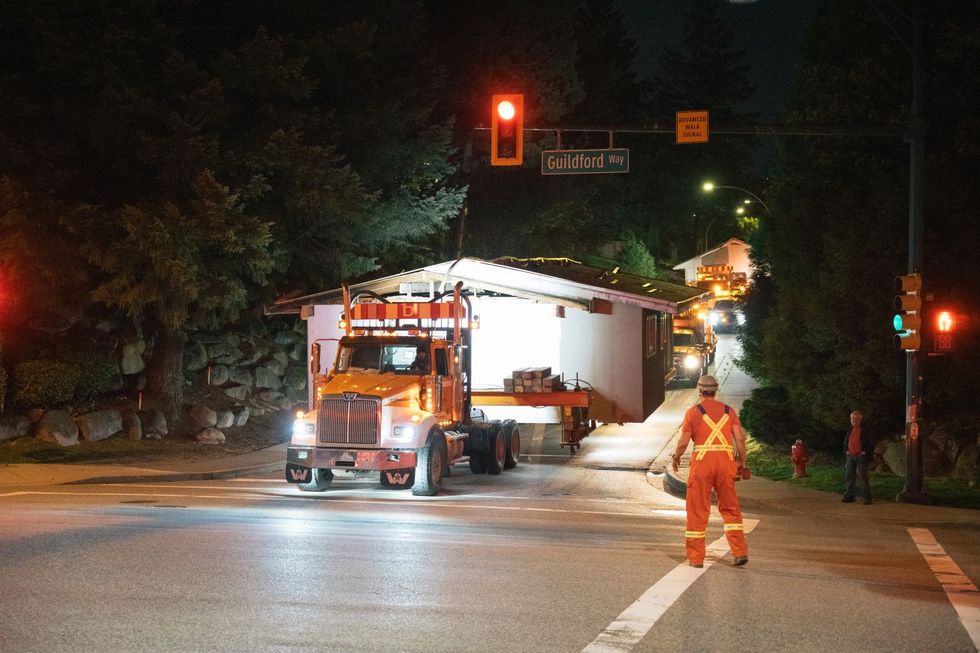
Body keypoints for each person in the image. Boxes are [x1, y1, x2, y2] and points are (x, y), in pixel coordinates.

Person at [671, 374, 749, 568]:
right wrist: (742, 461)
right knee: (730, 508)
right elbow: (740, 439)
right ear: (716, 391)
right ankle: (739, 552)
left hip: (702, 464)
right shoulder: (729, 411)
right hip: (725, 463)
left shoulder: (693, 412)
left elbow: (683, 442)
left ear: (700, 391)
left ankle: (696, 558)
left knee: (697, 510)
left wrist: (676, 457)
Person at [842, 410, 874, 504]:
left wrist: (865, 451)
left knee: (863, 477)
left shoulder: (865, 429)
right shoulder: (850, 428)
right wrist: (846, 450)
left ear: (860, 419)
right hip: (850, 455)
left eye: (856, 418)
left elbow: (871, 442)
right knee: (849, 476)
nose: (854, 420)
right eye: (852, 418)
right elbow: (846, 440)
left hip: (861, 455)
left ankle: (867, 497)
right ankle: (850, 495)